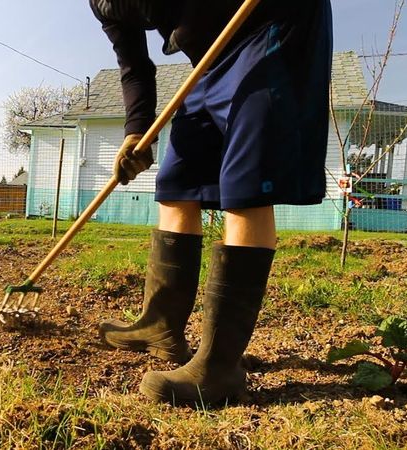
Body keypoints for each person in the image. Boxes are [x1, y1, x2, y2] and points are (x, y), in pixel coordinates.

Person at [90, 0, 333, 404]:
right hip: (208, 58)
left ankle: (219, 369)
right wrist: (137, 131)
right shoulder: (103, 4)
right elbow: (134, 64)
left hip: (267, 23)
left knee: (246, 183)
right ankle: (160, 326)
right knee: (176, 181)